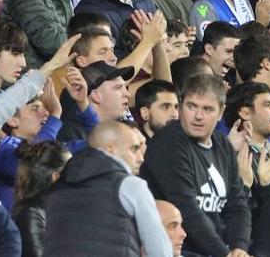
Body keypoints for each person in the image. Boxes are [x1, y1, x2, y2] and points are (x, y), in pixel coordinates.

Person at [141, 74, 251, 257]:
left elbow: (237, 204)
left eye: (207, 109)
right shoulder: (168, 143)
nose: (198, 116)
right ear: (181, 107)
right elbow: (186, 208)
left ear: (221, 112)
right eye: (191, 106)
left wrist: (239, 247)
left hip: (216, 249)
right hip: (175, 249)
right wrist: (224, 253)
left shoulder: (222, 145)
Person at [44, 120, 172, 257]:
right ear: (110, 150)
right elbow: (159, 251)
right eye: (134, 149)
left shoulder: (56, 188)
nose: (141, 158)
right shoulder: (131, 185)